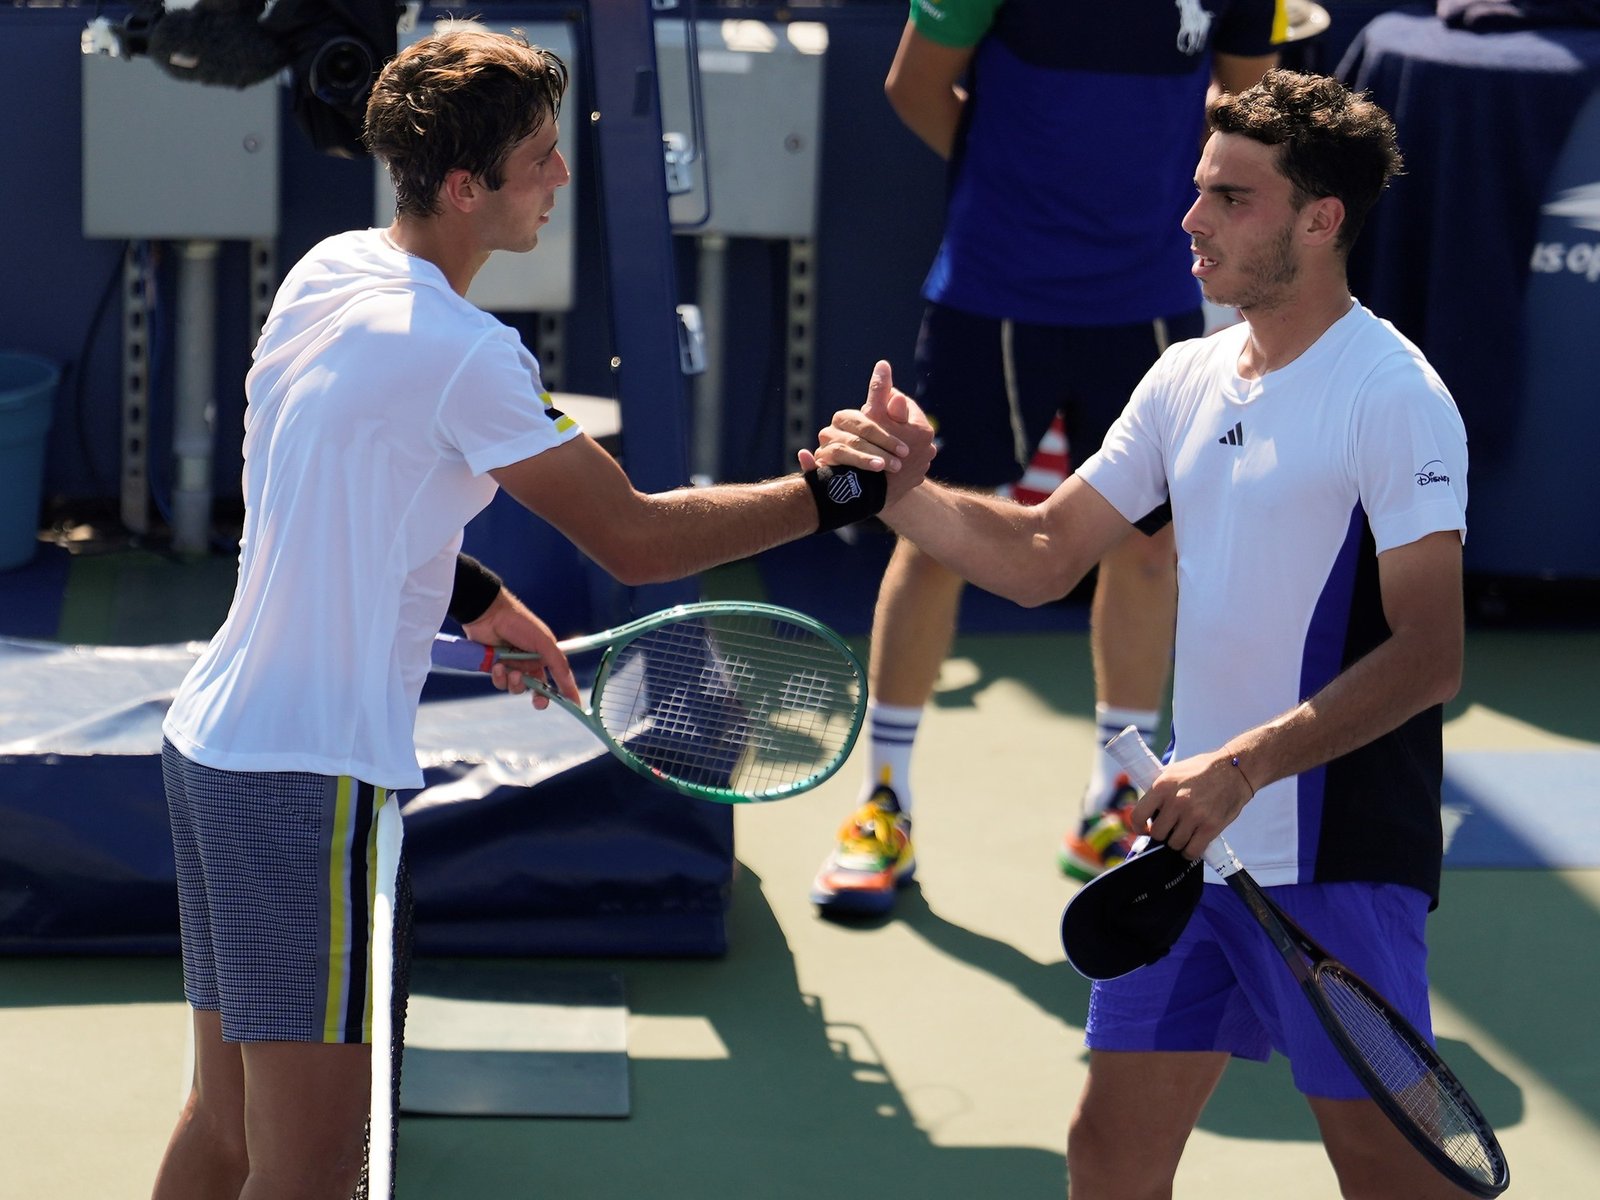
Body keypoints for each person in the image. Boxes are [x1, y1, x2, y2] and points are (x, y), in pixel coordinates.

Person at [150, 29, 932, 1200]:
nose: (560, 180)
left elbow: (340, 492)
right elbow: (638, 537)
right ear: (466, 189)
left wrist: (477, 598)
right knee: (314, 1171)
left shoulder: (332, 271)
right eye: (539, 161)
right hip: (310, 786)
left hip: (209, 749)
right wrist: (838, 495)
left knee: (224, 1128)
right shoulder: (472, 357)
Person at [822, 69, 1473, 1196]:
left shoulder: (1393, 394)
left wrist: (1244, 764)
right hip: (1193, 852)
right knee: (1110, 1148)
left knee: (1385, 1170)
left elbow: (1431, 652)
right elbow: (1040, 555)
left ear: (1319, 222)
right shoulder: (1184, 375)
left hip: (1338, 856)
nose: (1190, 218)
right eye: (1198, 189)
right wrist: (902, 493)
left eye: (1231, 197)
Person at [809, 0, 1285, 917]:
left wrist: (1166, 211)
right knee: (935, 531)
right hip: (992, 287)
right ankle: (885, 804)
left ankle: (1115, 800)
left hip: (1149, 295)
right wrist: (1014, 184)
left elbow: (1248, 105)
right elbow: (913, 84)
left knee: (1148, 546)